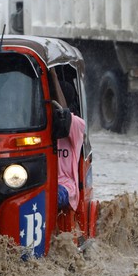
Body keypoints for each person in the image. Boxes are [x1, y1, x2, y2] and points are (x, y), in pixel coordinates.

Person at [57, 81, 86, 211]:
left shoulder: (77, 125)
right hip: (41, 183)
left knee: (52, 197)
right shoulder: (39, 124)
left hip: (65, 185)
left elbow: (65, 116)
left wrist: (53, 76)